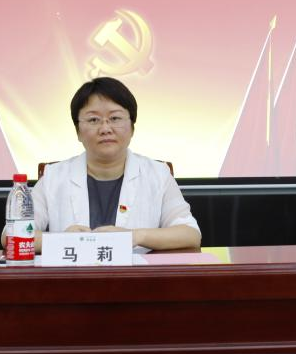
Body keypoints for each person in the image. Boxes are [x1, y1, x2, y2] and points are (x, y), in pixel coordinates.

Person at [16, 77, 201, 252]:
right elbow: (13, 235)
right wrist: (63, 240)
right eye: (93, 120)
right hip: (73, 274)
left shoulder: (158, 174)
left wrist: (135, 236)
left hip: (137, 275)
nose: (105, 129)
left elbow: (190, 234)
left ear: (132, 127)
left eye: (115, 118)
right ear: (78, 131)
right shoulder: (54, 176)